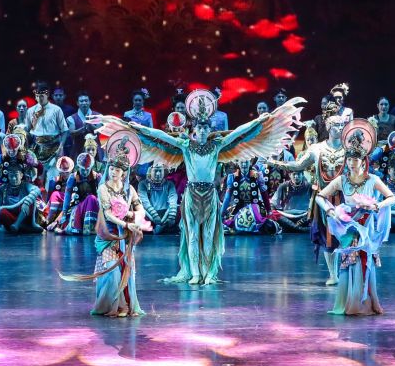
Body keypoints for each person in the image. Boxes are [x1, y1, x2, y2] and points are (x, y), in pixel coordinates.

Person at [94, 89, 303, 285]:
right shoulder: (186, 145)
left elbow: (239, 133)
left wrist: (259, 122)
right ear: (194, 130)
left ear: (209, 129)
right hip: (192, 194)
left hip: (210, 195)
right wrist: (138, 129)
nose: (202, 131)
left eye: (205, 128)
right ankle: (195, 273)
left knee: (209, 236)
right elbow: (160, 136)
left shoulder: (217, 145)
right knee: (192, 236)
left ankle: (208, 273)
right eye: (199, 128)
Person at [316, 120, 395, 315]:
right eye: (349, 160)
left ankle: (365, 303)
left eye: (355, 160)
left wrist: (376, 205)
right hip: (348, 227)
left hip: (366, 228)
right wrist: (330, 210)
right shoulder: (341, 180)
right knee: (349, 262)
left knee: (364, 262)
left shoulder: (372, 180)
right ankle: (350, 303)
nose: (352, 163)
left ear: (363, 161)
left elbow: (392, 198)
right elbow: (320, 196)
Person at [60, 144, 148, 317]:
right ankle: (109, 306)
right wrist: (125, 224)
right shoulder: (103, 188)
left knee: (126, 270)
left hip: (126, 236)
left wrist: (133, 216)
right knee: (111, 272)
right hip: (108, 234)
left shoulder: (129, 189)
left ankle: (125, 306)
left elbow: (140, 209)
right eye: (112, 169)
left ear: (124, 173)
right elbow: (108, 214)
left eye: (117, 170)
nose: (113, 172)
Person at [270, 113, 348, 285]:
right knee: (327, 236)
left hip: (344, 197)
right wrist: (275, 163)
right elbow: (298, 165)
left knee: (344, 235)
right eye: (336, 125)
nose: (340, 128)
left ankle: (345, 270)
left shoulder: (348, 149)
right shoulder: (316, 149)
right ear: (328, 127)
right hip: (323, 197)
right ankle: (333, 274)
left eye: (342, 125)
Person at [0, 133, 46, 234]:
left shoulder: (27, 156)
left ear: (21, 175)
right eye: (11, 174)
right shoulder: (3, 188)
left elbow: (36, 187)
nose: (13, 178)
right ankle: (23, 228)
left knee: (32, 202)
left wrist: (26, 202)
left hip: (24, 211)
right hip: (10, 212)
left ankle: (19, 226)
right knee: (2, 213)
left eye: (16, 175)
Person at [27, 81, 69, 182]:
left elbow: (64, 131)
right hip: (36, 148)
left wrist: (61, 147)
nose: (39, 99)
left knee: (53, 179)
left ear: (47, 95)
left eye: (42, 96)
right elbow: (27, 131)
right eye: (37, 96)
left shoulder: (56, 110)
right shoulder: (31, 111)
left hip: (54, 148)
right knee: (36, 179)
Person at [221, 158, 278, 234]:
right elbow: (227, 198)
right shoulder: (232, 177)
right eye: (242, 162)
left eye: (246, 162)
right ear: (237, 163)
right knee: (232, 223)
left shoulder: (257, 175)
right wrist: (221, 214)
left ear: (250, 162)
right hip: (239, 207)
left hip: (255, 207)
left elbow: (264, 194)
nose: (244, 165)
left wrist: (269, 211)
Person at [60, 151, 101, 235]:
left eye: (87, 170)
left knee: (91, 198)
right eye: (82, 170)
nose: (85, 172)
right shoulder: (73, 177)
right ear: (78, 167)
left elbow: (102, 197)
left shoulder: (97, 177)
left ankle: (90, 228)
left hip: (94, 206)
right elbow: (67, 197)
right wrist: (64, 214)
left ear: (91, 167)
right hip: (78, 206)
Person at [138, 163, 180, 234]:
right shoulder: (143, 184)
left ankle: (162, 226)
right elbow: (144, 202)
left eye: (160, 171)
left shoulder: (169, 184)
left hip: (166, 214)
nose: (158, 174)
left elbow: (173, 201)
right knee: (140, 210)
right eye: (155, 171)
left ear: (164, 172)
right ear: (150, 171)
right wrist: (154, 216)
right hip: (149, 216)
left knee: (177, 208)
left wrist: (172, 215)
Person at [66, 90, 100, 157]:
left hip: (95, 152)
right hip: (78, 152)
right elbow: (72, 133)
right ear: (77, 103)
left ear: (90, 102)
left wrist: (90, 125)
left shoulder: (98, 116)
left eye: (86, 101)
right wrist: (83, 128)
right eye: (81, 101)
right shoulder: (71, 118)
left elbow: (99, 131)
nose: (84, 103)